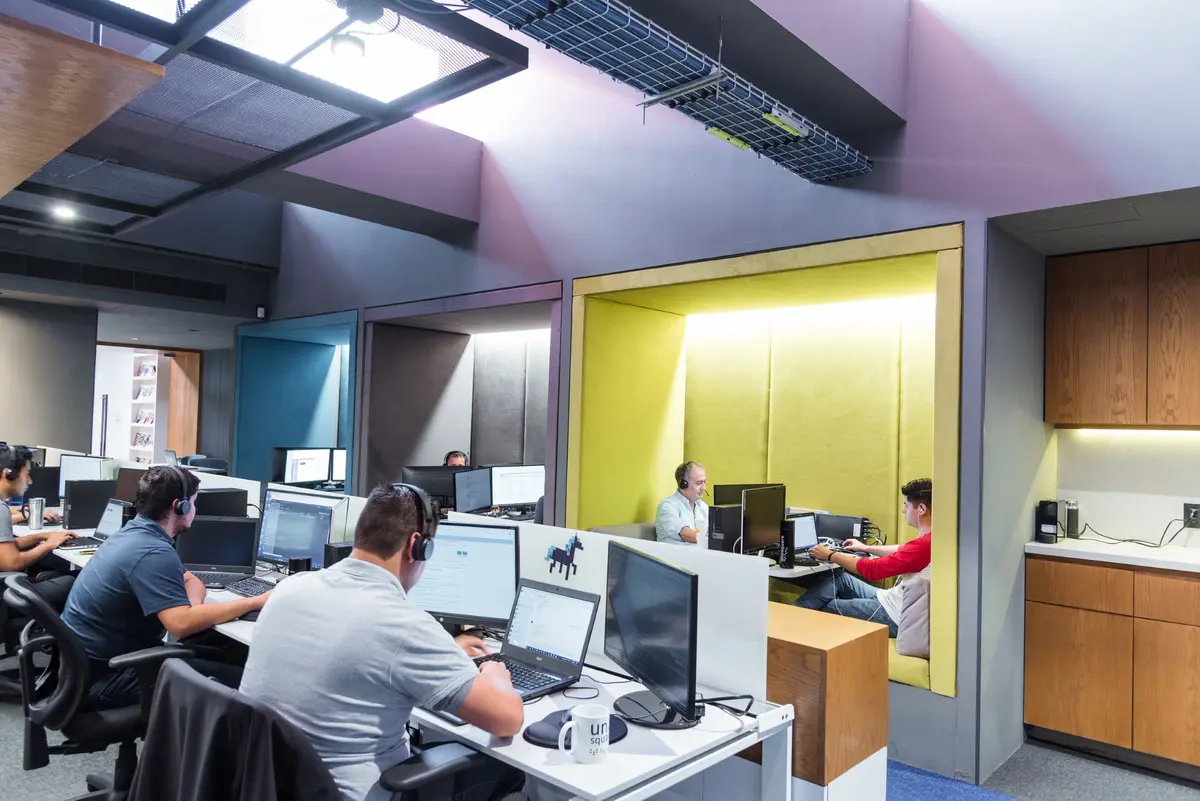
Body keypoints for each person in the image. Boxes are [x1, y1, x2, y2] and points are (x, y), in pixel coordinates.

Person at [239, 483, 525, 801]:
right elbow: (506, 720)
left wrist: (447, 654)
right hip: (361, 794)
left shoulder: (290, 588)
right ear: (417, 546)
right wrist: (495, 674)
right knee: (508, 773)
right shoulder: (403, 625)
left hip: (271, 788)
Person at [61, 465, 270, 710]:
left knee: (214, 650)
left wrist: (193, 610)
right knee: (240, 680)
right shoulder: (153, 552)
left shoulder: (134, 534)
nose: (195, 509)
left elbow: (192, 581)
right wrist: (255, 601)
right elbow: (180, 625)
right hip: (106, 679)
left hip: (85, 669)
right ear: (180, 506)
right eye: (194, 502)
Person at [794, 478, 933, 638]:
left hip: (895, 616)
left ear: (921, 509)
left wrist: (830, 555)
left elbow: (872, 570)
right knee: (839, 577)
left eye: (906, 505)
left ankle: (786, 624)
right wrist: (864, 547)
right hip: (891, 599)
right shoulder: (933, 538)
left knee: (821, 607)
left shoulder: (925, 544)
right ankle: (792, 614)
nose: (903, 511)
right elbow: (902, 549)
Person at [0, 444, 76, 609]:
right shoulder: (0, 509)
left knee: (55, 574)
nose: (30, 480)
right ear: (9, 474)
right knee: (72, 581)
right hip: (5, 594)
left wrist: (41, 536)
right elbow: (11, 563)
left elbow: (6, 548)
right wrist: (49, 545)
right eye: (26, 474)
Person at [654, 461, 709, 545]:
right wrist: (713, 539)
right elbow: (684, 534)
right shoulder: (667, 506)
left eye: (704, 482)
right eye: (699, 483)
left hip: (700, 555)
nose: (703, 488)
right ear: (684, 484)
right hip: (675, 557)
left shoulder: (702, 506)